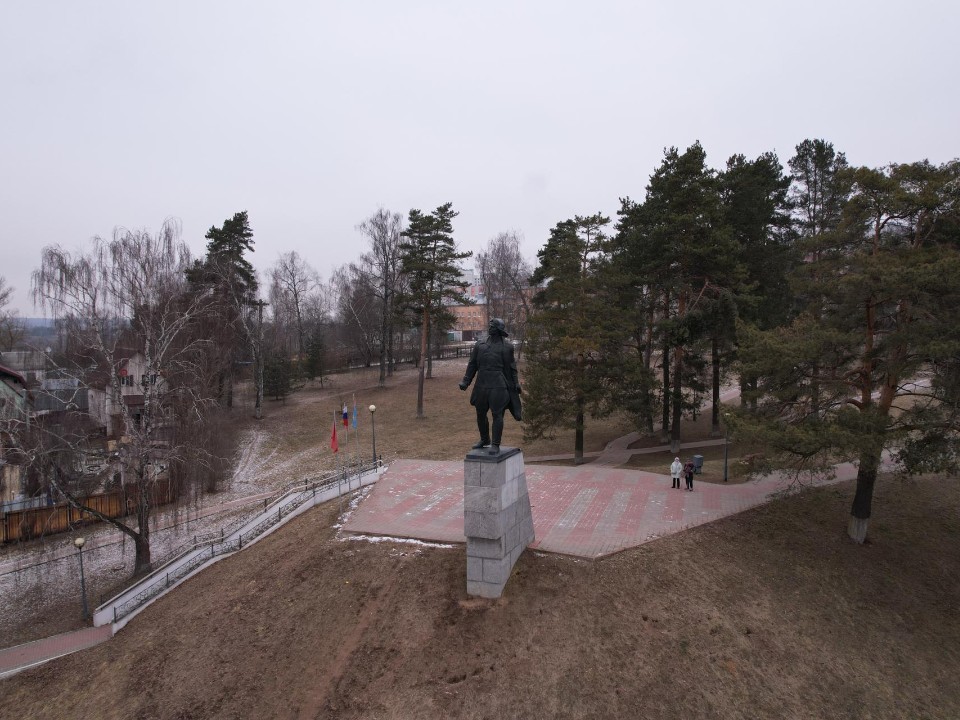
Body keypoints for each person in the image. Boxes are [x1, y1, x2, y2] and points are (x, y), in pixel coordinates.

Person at [459, 318, 521, 454]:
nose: (490, 328)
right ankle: (484, 439)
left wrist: (516, 383)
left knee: (497, 414)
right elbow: (472, 364)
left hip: (498, 384)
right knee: (480, 413)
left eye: (493, 326)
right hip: (481, 383)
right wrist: (466, 381)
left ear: (499, 330)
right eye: (490, 325)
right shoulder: (479, 345)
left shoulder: (507, 347)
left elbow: (512, 367)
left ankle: (495, 444)